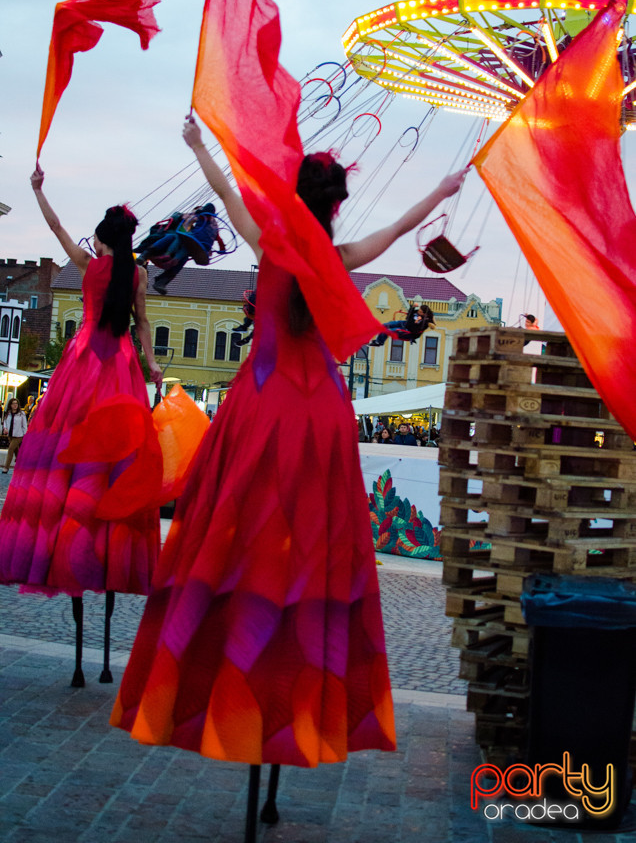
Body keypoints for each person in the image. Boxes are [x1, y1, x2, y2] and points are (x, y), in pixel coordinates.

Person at [111, 115, 467, 769]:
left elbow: (226, 196)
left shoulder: (270, 241)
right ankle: (296, 674)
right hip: (319, 414)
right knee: (313, 541)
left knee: (230, 533)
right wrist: (442, 191)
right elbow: (394, 231)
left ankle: (223, 656)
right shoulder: (338, 255)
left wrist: (195, 143)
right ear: (335, 205)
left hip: (259, 405)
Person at [0, 165, 164, 600]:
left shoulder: (86, 264)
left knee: (62, 441)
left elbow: (54, 225)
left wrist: (37, 190)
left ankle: (65, 522)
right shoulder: (138, 275)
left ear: (102, 239)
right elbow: (143, 323)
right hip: (121, 363)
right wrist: (151, 364)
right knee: (118, 448)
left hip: (83, 359)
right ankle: (107, 528)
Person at [369, 303, 435, 347]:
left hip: (409, 332)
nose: (418, 312)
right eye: (419, 310)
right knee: (385, 325)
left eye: (420, 312)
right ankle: (376, 339)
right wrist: (412, 307)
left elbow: (433, 325)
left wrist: (428, 323)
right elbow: (409, 315)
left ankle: (379, 342)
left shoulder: (426, 320)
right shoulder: (417, 312)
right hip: (405, 324)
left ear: (424, 313)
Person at [1, 398, 28, 473]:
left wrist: (25, 434)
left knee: (10, 449)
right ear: (10, 405)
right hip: (10, 435)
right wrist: (5, 428)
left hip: (19, 435)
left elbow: (24, 425)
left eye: (16, 403)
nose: (15, 405)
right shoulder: (8, 413)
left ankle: (6, 467)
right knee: (16, 451)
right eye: (13, 403)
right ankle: (20, 464)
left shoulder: (21, 413)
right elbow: (5, 422)